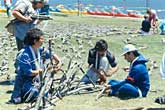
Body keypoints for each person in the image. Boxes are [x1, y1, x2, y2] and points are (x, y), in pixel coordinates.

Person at [10, 28, 62, 104]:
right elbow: (29, 73)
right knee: (36, 92)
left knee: (46, 91)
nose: (43, 41)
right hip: (25, 82)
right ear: (35, 41)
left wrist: (58, 64)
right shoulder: (24, 54)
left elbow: (53, 56)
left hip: (37, 81)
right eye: (41, 39)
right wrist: (42, 71)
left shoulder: (40, 50)